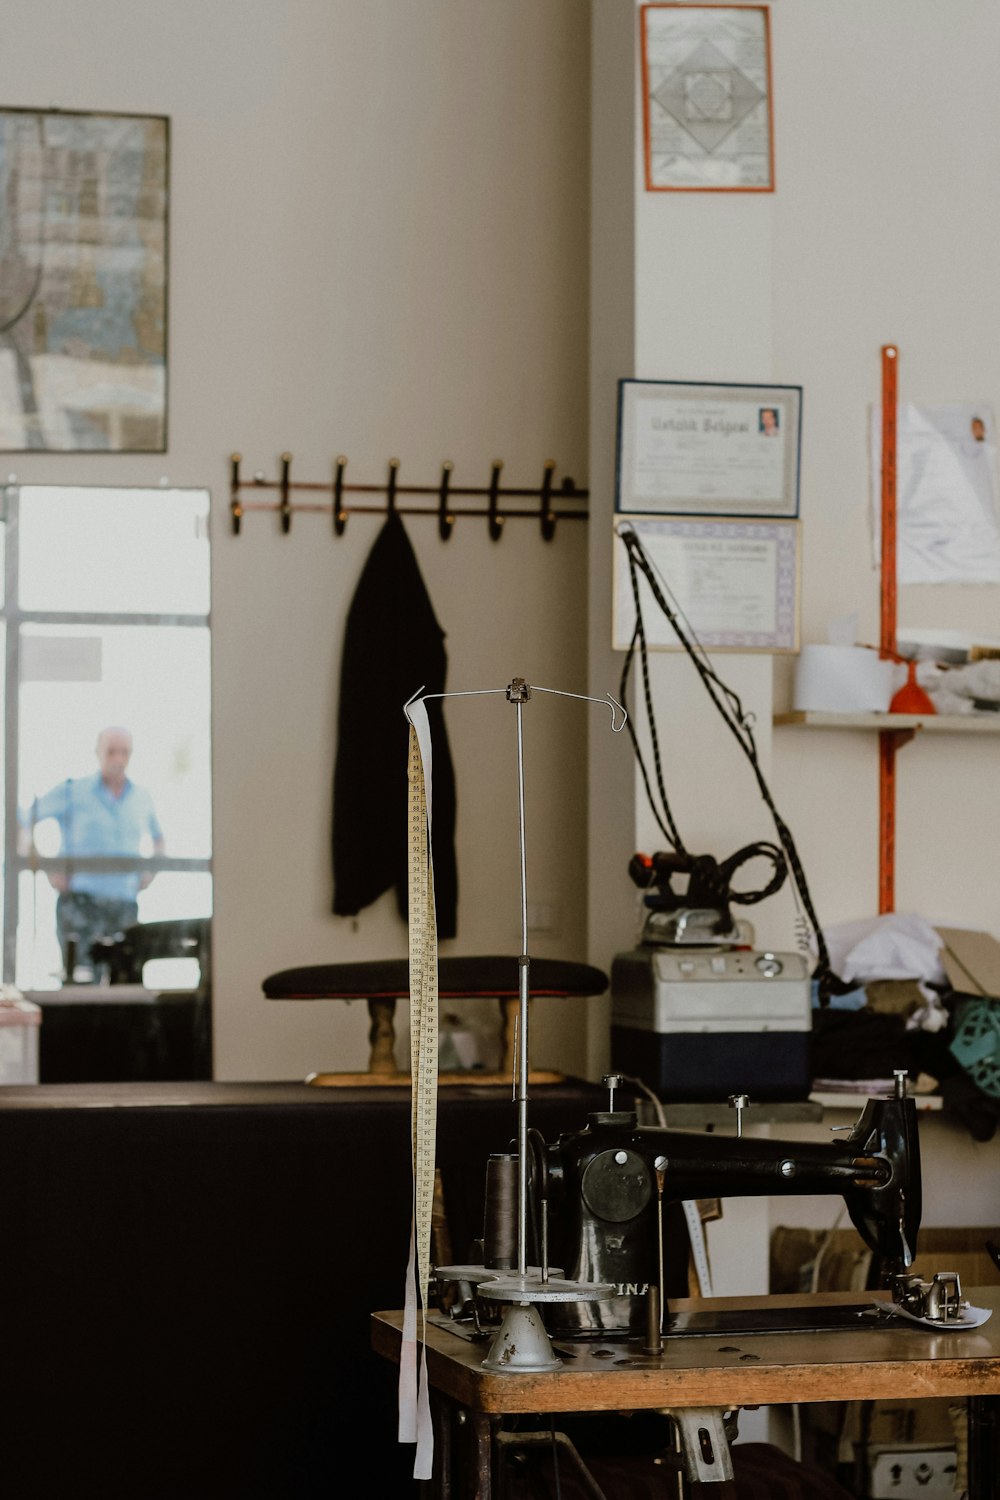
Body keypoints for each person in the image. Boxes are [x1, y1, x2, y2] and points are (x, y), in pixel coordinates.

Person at [23, 727, 164, 979]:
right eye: (111, 752)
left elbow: (159, 840)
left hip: (124, 907)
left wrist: (151, 873)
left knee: (123, 986)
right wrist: (47, 867)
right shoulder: (72, 791)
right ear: (98, 753)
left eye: (125, 752)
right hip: (80, 905)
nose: (118, 759)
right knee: (82, 986)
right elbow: (25, 819)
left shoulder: (142, 797)